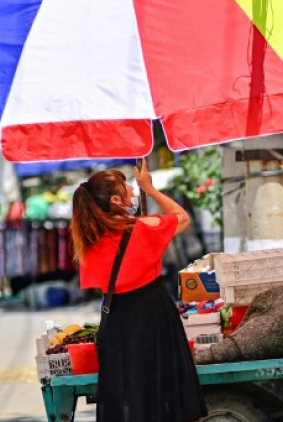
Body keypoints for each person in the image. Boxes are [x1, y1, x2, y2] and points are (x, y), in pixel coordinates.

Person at [73, 160, 206, 422]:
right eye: (128, 188)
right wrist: (151, 189)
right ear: (116, 199)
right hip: (154, 318)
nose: (134, 192)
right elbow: (183, 217)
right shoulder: (142, 228)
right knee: (163, 396)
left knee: (130, 401)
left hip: (117, 325)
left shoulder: (88, 242)